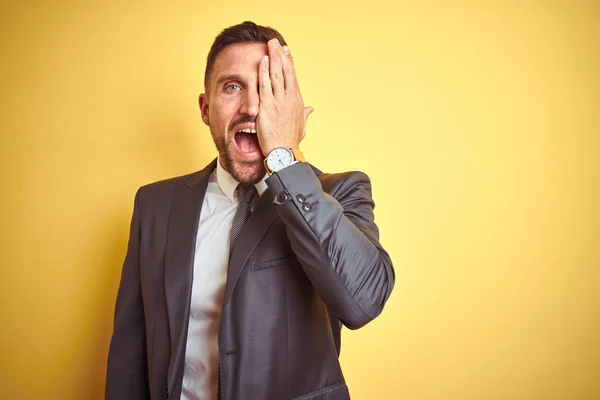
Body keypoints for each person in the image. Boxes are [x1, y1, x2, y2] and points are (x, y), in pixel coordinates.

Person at [106, 21, 395, 400]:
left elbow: (364, 301)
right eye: (232, 87)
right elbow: (131, 351)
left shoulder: (339, 193)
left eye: (269, 89)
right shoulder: (154, 206)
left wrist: (284, 159)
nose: (253, 107)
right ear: (206, 109)